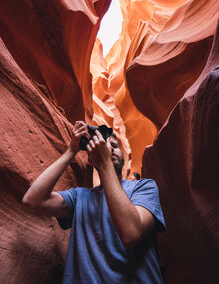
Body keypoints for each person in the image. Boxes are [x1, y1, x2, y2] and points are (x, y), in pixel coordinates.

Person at [22, 121, 166, 283]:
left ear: (123, 156)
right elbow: (33, 199)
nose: (110, 148)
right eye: (104, 145)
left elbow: (131, 233)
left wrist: (104, 163)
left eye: (114, 145)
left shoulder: (144, 187)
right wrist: (71, 150)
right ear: (91, 161)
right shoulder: (79, 197)